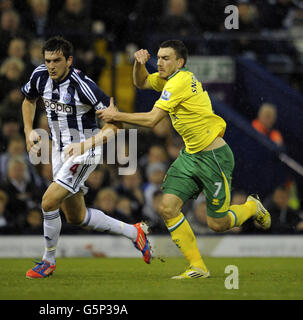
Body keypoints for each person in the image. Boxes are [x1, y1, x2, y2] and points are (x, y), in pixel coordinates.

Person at [97, 40, 271, 279]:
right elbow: (142, 82)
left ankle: (252, 206)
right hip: (191, 155)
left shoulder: (178, 82)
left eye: (165, 58)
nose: (159, 62)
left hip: (214, 157)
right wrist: (139, 64)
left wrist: (116, 115)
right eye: (158, 57)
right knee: (167, 207)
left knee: (217, 224)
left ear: (179, 62)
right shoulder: (170, 78)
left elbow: (152, 120)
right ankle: (197, 266)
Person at [22, 36, 152, 279]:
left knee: (48, 202)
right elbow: (28, 101)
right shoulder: (39, 76)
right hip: (61, 152)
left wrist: (84, 145)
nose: (51, 66)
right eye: (48, 60)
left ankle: (47, 261)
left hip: (86, 151)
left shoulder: (84, 86)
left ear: (69, 60)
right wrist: (29, 131)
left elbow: (116, 125)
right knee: (76, 217)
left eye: (57, 60)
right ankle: (135, 233)